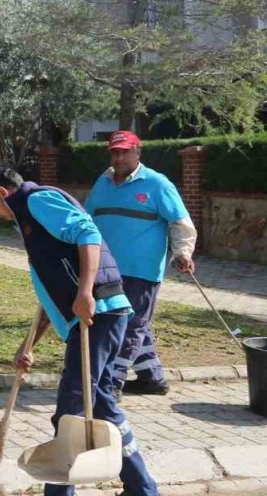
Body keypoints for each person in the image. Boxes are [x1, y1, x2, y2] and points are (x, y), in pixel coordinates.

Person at [0, 166, 159, 496]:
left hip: (99, 313)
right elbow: (52, 293)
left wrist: (85, 292)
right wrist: (28, 345)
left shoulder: (37, 201)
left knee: (70, 411)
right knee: (102, 404)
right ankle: (143, 488)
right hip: (98, 315)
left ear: (2, 194)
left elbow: (88, 234)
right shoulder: (31, 221)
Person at [85, 131, 197, 398]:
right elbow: (87, 220)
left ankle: (112, 383)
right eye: (115, 152)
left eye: (125, 151)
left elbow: (181, 224)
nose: (119, 157)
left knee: (130, 325)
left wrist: (182, 253)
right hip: (106, 269)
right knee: (129, 322)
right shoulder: (103, 183)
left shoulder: (157, 184)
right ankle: (152, 378)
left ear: (138, 151)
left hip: (141, 271)